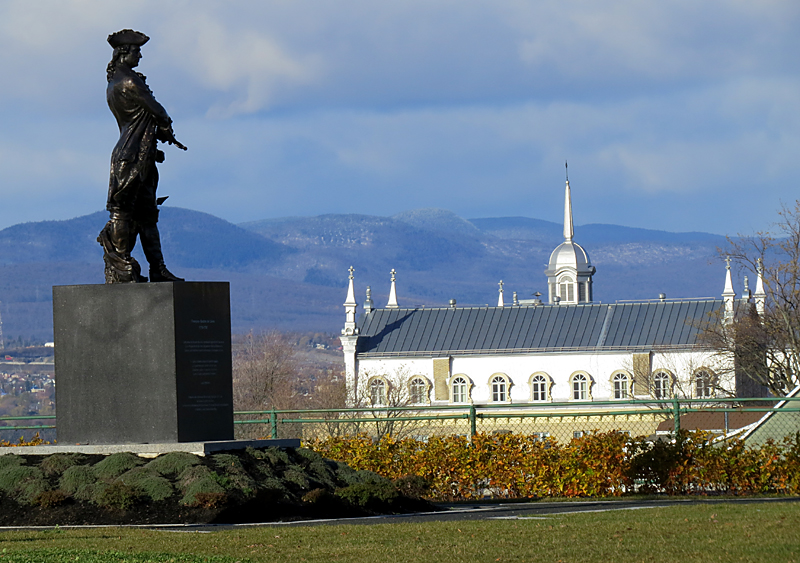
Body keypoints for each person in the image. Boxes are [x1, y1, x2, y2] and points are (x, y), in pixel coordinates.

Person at [98, 29, 186, 283]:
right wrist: (166, 127)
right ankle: (123, 264)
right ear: (124, 52)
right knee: (122, 211)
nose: (140, 55)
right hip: (132, 156)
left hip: (138, 154)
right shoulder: (129, 82)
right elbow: (159, 111)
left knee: (147, 214)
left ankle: (156, 267)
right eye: (137, 51)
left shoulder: (113, 84)